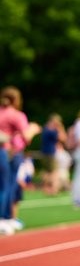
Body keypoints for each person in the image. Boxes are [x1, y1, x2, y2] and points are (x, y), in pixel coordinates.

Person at [0, 86, 40, 233]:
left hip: (5, 151)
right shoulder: (16, 115)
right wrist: (34, 128)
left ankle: (7, 218)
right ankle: (5, 218)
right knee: (7, 185)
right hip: (10, 152)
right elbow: (26, 136)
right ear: (16, 100)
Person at [40, 113, 67, 195]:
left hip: (44, 152)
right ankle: (53, 189)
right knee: (54, 171)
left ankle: (46, 189)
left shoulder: (45, 128)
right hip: (51, 153)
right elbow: (63, 138)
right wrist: (60, 127)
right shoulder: (52, 130)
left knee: (47, 172)